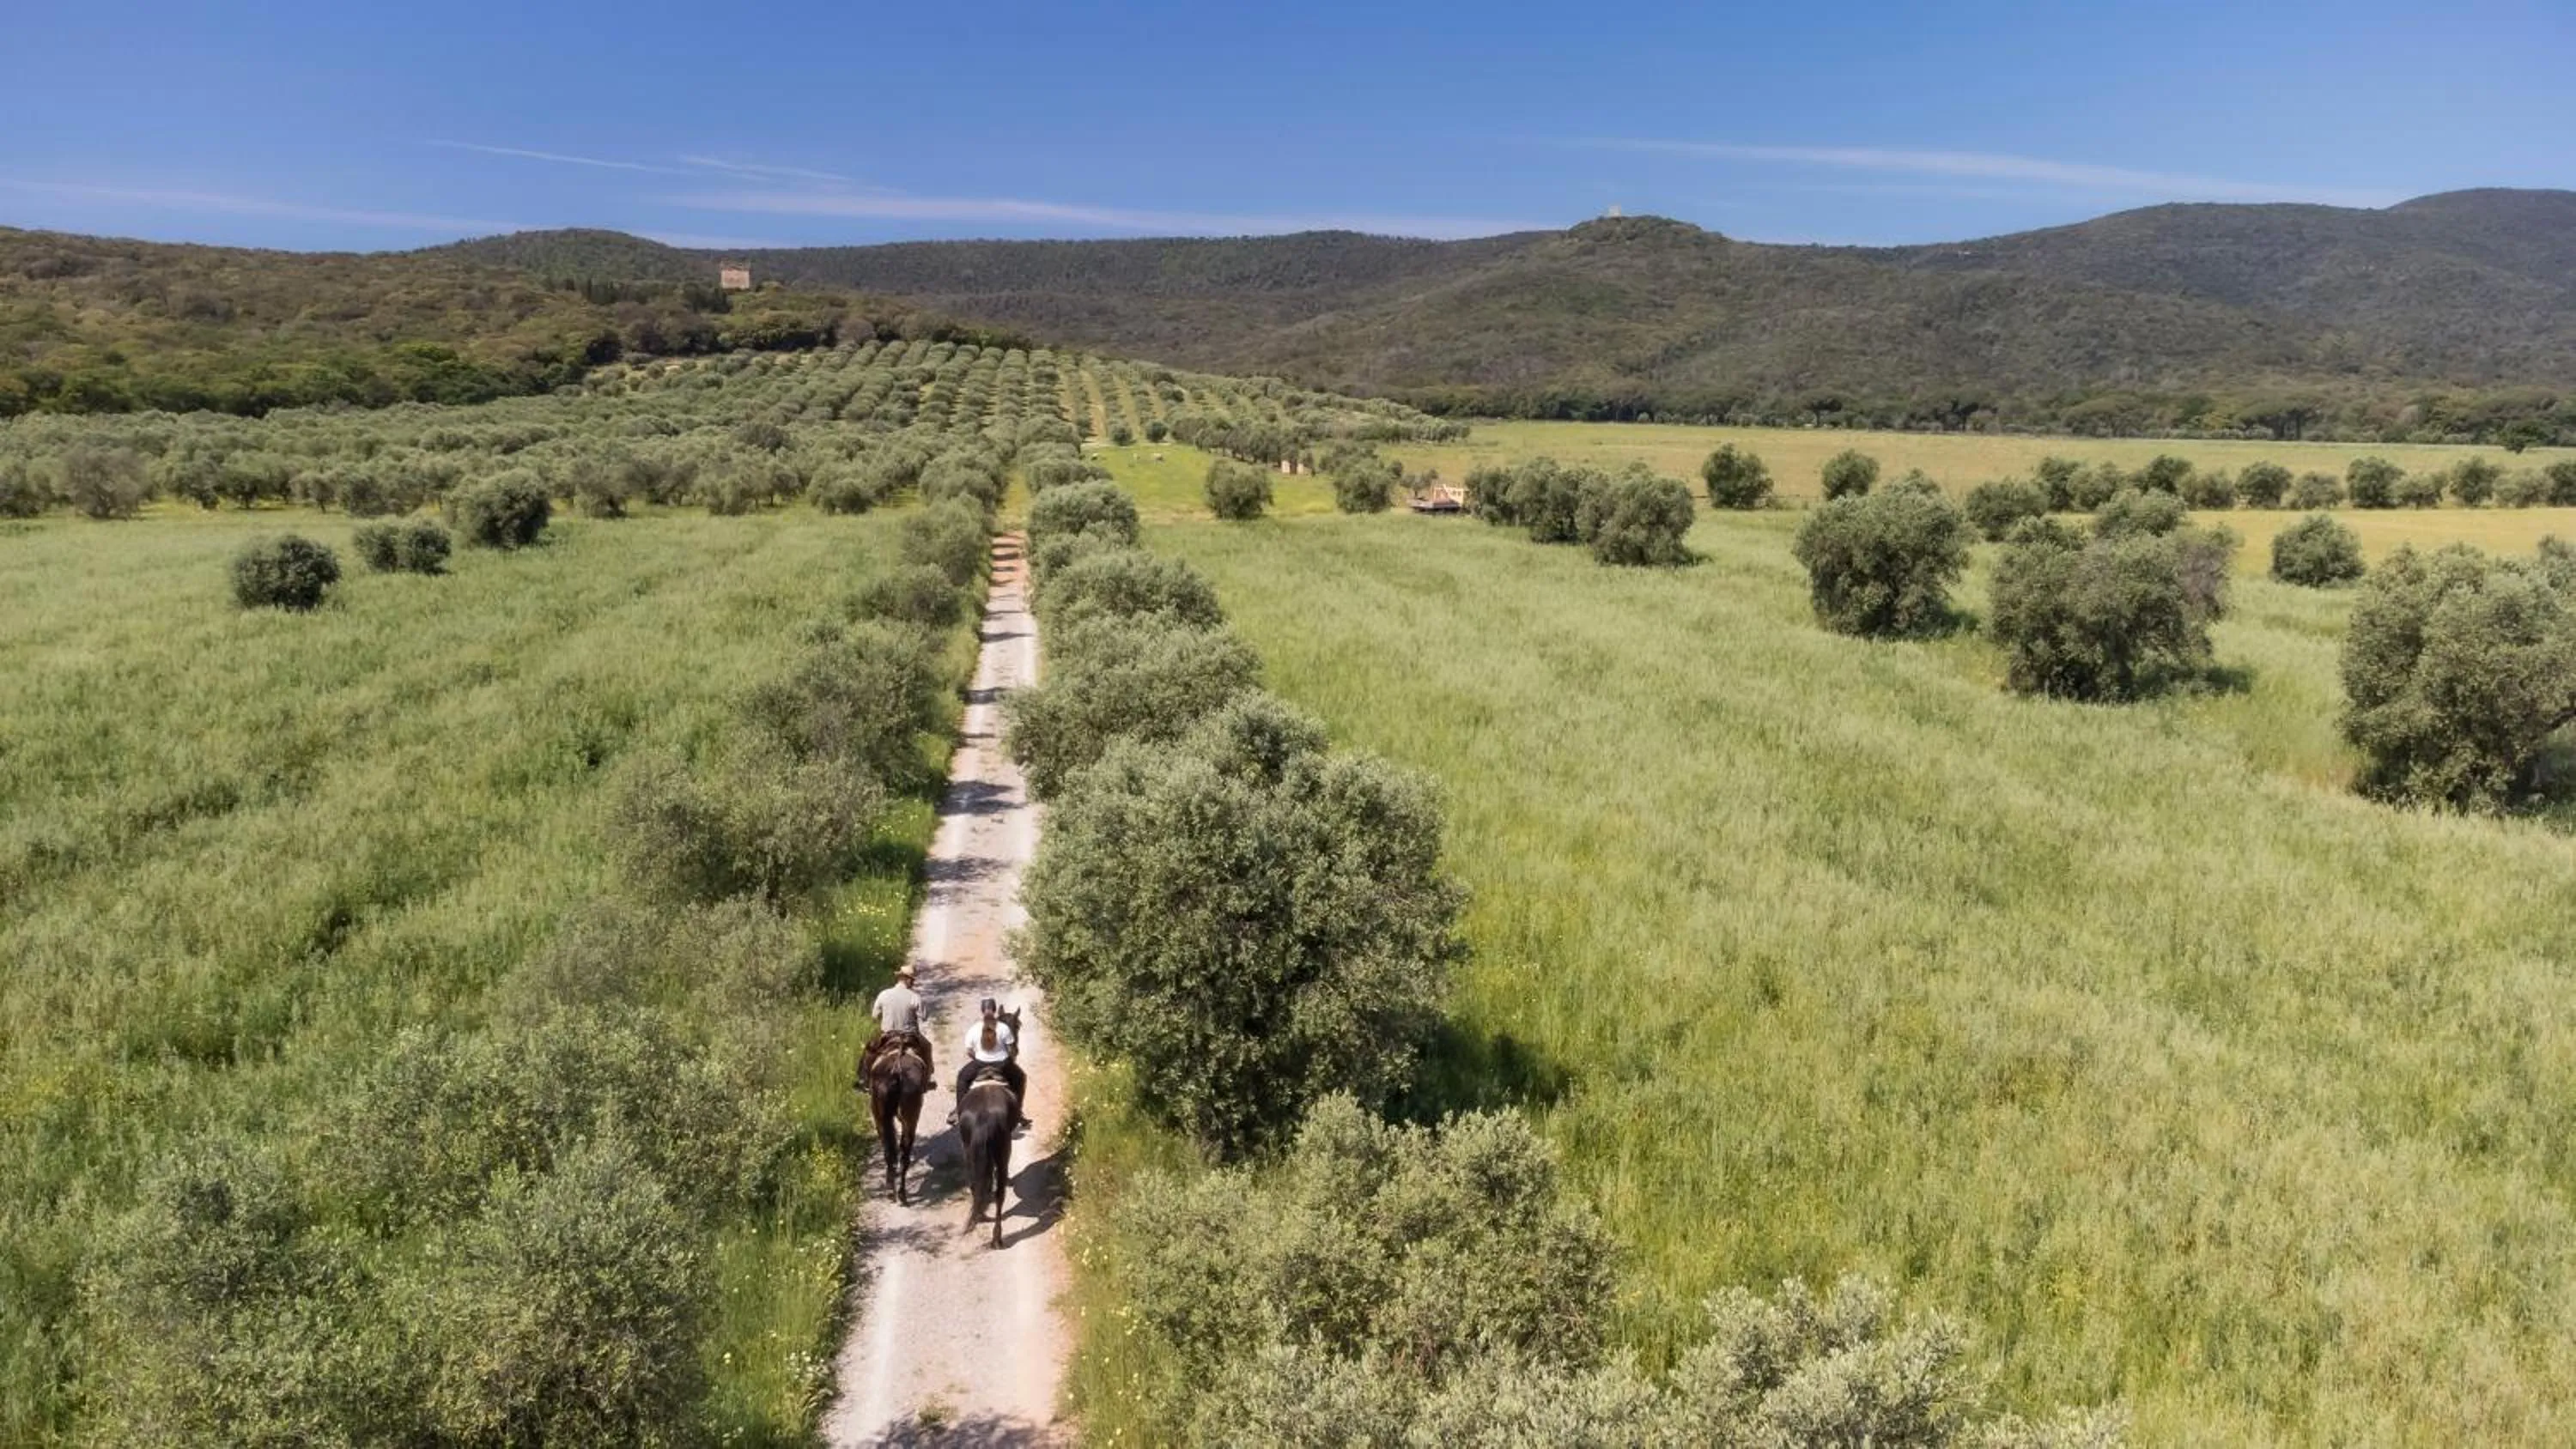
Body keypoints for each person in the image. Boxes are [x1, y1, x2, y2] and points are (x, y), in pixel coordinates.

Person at [950, 997, 1030, 1130]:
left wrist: (978, 1057)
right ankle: (1018, 1112)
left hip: (980, 1064)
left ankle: (959, 1112)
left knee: (962, 1078)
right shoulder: (1004, 1028)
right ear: (995, 1010)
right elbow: (1012, 1050)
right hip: (1002, 1065)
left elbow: (969, 1052)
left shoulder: (974, 1028)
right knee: (1021, 1078)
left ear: (982, 1011)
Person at [863, 965, 930, 1077]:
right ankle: (927, 1078)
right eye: (912, 980)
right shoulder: (914, 997)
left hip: (888, 1036)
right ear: (907, 979)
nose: (913, 982)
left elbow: (874, 1016)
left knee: (869, 1050)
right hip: (910, 1037)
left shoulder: (884, 994)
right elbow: (924, 1016)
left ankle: (864, 1078)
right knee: (927, 1046)